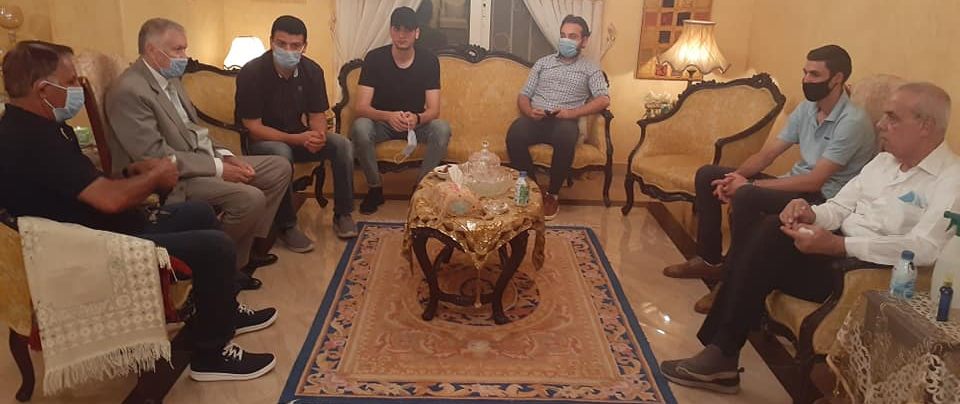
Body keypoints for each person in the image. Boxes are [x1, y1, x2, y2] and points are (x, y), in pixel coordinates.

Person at [0, 40, 279, 381]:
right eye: (71, 82)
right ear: (43, 89)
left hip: (100, 225)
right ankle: (211, 356)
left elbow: (85, 186)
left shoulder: (45, 127)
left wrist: (132, 174)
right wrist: (155, 177)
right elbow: (110, 200)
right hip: (88, 246)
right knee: (216, 246)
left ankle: (222, 312)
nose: (77, 90)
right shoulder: (31, 141)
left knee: (200, 213)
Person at [660, 82, 960, 394]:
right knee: (771, 229)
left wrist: (839, 245)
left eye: (893, 117)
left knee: (760, 249)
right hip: (835, 250)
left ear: (926, 126)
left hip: (869, 274)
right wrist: (809, 213)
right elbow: (839, 206)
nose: (881, 124)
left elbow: (925, 247)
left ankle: (721, 355)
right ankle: (721, 353)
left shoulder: (951, 179)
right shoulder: (883, 163)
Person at [662, 45, 876, 312]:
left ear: (837, 79)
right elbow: (767, 155)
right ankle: (709, 260)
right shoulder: (807, 109)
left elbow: (815, 181)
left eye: (814, 75)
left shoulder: (852, 122)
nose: (806, 80)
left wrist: (748, 185)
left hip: (823, 198)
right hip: (796, 184)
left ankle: (731, 282)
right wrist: (736, 177)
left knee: (747, 194)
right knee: (708, 174)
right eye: (805, 72)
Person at [106, 18, 291, 290]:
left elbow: (195, 129)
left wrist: (225, 155)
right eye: (178, 49)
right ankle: (216, 263)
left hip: (200, 158)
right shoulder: (130, 91)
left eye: (184, 48)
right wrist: (218, 168)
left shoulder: (170, 78)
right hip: (173, 177)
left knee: (279, 167)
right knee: (250, 198)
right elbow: (155, 157)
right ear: (153, 51)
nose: (185, 56)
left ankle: (243, 254)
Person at [237, 15, 358, 241]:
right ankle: (287, 225)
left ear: (304, 46)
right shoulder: (251, 73)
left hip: (298, 135)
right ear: (271, 42)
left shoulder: (312, 71)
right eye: (281, 44)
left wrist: (318, 136)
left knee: (342, 145)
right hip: (263, 141)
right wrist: (298, 139)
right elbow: (253, 128)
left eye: (295, 46)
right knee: (281, 152)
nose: (288, 51)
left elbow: (317, 115)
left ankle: (343, 214)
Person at [505, 15, 610, 220]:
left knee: (565, 136)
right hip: (537, 118)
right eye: (563, 35)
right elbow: (523, 96)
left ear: (584, 41)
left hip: (565, 121)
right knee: (515, 132)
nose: (566, 40)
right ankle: (535, 190)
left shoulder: (590, 68)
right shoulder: (543, 63)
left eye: (572, 36)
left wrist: (571, 113)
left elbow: (603, 100)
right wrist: (530, 112)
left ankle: (552, 194)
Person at [351, 6, 451, 214]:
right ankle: (375, 188)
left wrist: (417, 118)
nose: (402, 35)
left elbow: (434, 110)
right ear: (391, 31)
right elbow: (361, 107)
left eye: (408, 30)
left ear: (417, 33)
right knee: (360, 127)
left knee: (442, 128)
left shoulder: (429, 60)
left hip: (414, 125)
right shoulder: (375, 58)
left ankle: (420, 189)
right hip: (382, 123)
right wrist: (388, 116)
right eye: (397, 29)